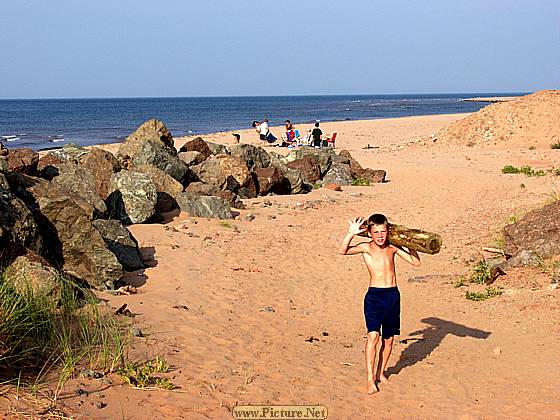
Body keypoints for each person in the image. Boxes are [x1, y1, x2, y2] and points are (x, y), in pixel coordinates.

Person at [338, 213, 420, 394]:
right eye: (376, 232)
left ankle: (380, 373)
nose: (380, 236)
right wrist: (351, 233)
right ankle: (369, 379)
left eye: (383, 232)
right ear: (370, 233)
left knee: (389, 340)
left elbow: (415, 263)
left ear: (388, 231)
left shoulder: (392, 248)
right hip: (374, 297)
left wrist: (409, 243)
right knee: (373, 336)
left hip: (392, 296)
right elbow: (342, 250)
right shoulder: (366, 248)